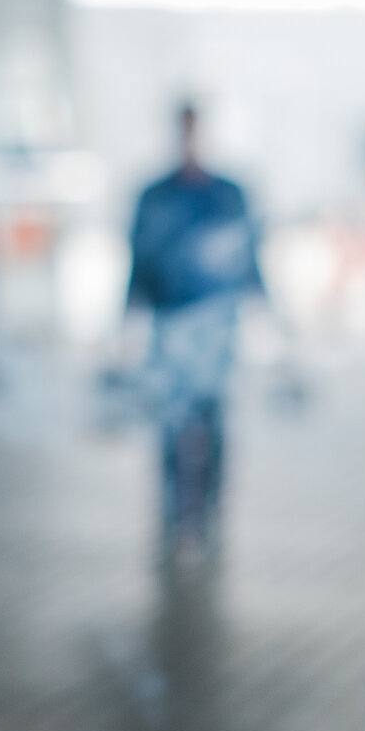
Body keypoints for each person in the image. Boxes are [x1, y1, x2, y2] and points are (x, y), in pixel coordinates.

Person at [125, 103, 263, 564]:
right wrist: (127, 319)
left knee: (214, 423)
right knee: (171, 426)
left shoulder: (228, 195)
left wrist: (267, 312)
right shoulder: (155, 196)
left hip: (217, 328)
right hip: (170, 326)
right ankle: (172, 522)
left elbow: (250, 256)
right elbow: (138, 260)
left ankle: (207, 520)